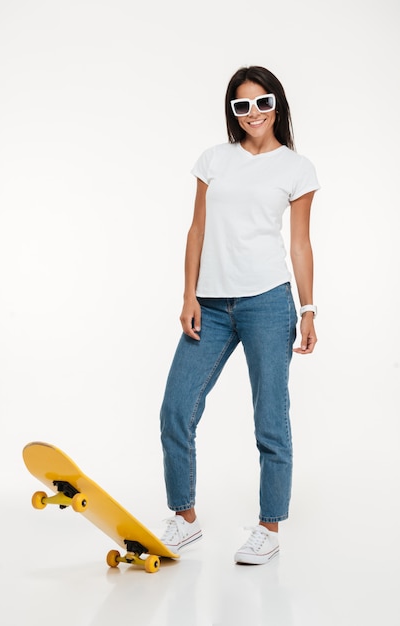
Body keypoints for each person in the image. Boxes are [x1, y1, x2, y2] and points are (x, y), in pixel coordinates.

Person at [159, 66, 320, 565]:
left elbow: (299, 242)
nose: (253, 113)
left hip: (268, 302)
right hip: (210, 304)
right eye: (242, 105)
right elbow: (196, 230)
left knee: (270, 417)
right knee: (175, 410)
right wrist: (189, 295)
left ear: (278, 105)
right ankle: (184, 520)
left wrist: (308, 308)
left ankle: (269, 528)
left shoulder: (297, 168)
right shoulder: (215, 160)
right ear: (232, 111)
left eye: (262, 102)